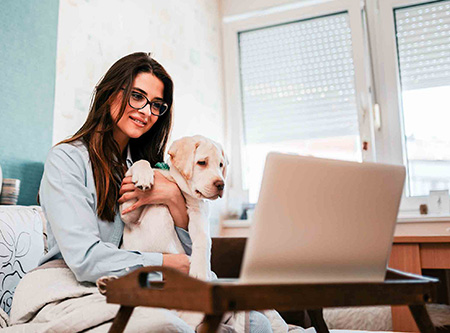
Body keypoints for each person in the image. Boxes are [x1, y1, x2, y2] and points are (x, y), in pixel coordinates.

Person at [25, 52, 274, 332]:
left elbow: (189, 255)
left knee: (257, 323)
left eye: (156, 105)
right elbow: (84, 260)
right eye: (137, 96)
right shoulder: (66, 160)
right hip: (72, 284)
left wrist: (170, 198)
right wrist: (165, 263)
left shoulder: (154, 169)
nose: (146, 111)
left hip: (143, 284)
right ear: (110, 94)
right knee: (167, 326)